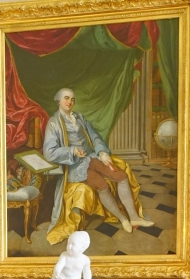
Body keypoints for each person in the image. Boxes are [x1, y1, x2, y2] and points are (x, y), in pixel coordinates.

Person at [42, 88, 153, 244]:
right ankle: (122, 219)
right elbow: (49, 152)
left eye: (72, 99)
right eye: (66, 98)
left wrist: (102, 152)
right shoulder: (54, 123)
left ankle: (134, 218)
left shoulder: (79, 118)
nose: (70, 102)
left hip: (92, 158)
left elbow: (95, 136)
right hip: (75, 167)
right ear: (59, 101)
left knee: (121, 177)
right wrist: (72, 150)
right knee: (102, 186)